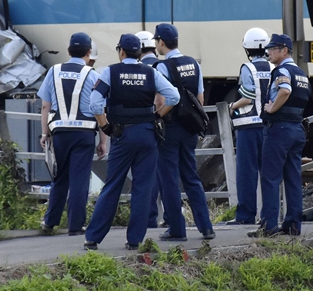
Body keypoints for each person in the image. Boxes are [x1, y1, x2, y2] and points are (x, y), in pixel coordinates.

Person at [83, 34, 179, 250]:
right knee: (143, 188)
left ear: (121, 51)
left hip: (122, 135)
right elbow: (174, 96)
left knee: (113, 185)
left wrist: (105, 126)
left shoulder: (110, 72)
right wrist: (157, 115)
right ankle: (134, 240)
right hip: (147, 135)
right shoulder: (151, 72)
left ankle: (93, 237)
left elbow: (95, 104)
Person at [153, 23, 216, 242]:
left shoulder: (162, 67)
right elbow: (200, 99)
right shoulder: (193, 64)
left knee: (169, 178)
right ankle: (206, 227)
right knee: (191, 176)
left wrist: (158, 116)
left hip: (170, 129)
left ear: (161, 42)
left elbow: (161, 101)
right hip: (190, 128)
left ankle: (177, 230)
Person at [38, 32, 105, 235]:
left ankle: (50, 222)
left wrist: (44, 133)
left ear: (68, 51)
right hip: (85, 133)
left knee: (60, 177)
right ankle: (75, 226)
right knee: (80, 178)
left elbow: (45, 106)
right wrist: (103, 140)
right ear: (88, 52)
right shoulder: (93, 75)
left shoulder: (54, 71)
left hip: (60, 132)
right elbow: (99, 107)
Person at [250, 33, 309, 237]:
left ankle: (269, 225)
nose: (269, 52)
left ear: (284, 50)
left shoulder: (281, 70)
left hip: (279, 130)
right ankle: (293, 225)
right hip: (297, 129)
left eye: (273, 49)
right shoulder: (301, 72)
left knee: (270, 177)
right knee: (293, 178)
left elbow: (284, 91)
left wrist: (271, 109)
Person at [225, 27, 271, 225]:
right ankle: (269, 215)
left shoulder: (247, 68)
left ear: (247, 48)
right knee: (268, 172)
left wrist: (232, 106)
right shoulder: (272, 67)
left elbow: (248, 95)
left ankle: (245, 215)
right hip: (268, 126)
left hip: (247, 126)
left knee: (247, 172)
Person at [136, 30, 165, 229]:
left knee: (147, 173)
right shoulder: (161, 66)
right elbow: (164, 97)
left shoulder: (136, 68)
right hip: (165, 125)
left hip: (142, 126)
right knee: (167, 171)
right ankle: (172, 216)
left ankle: (149, 218)